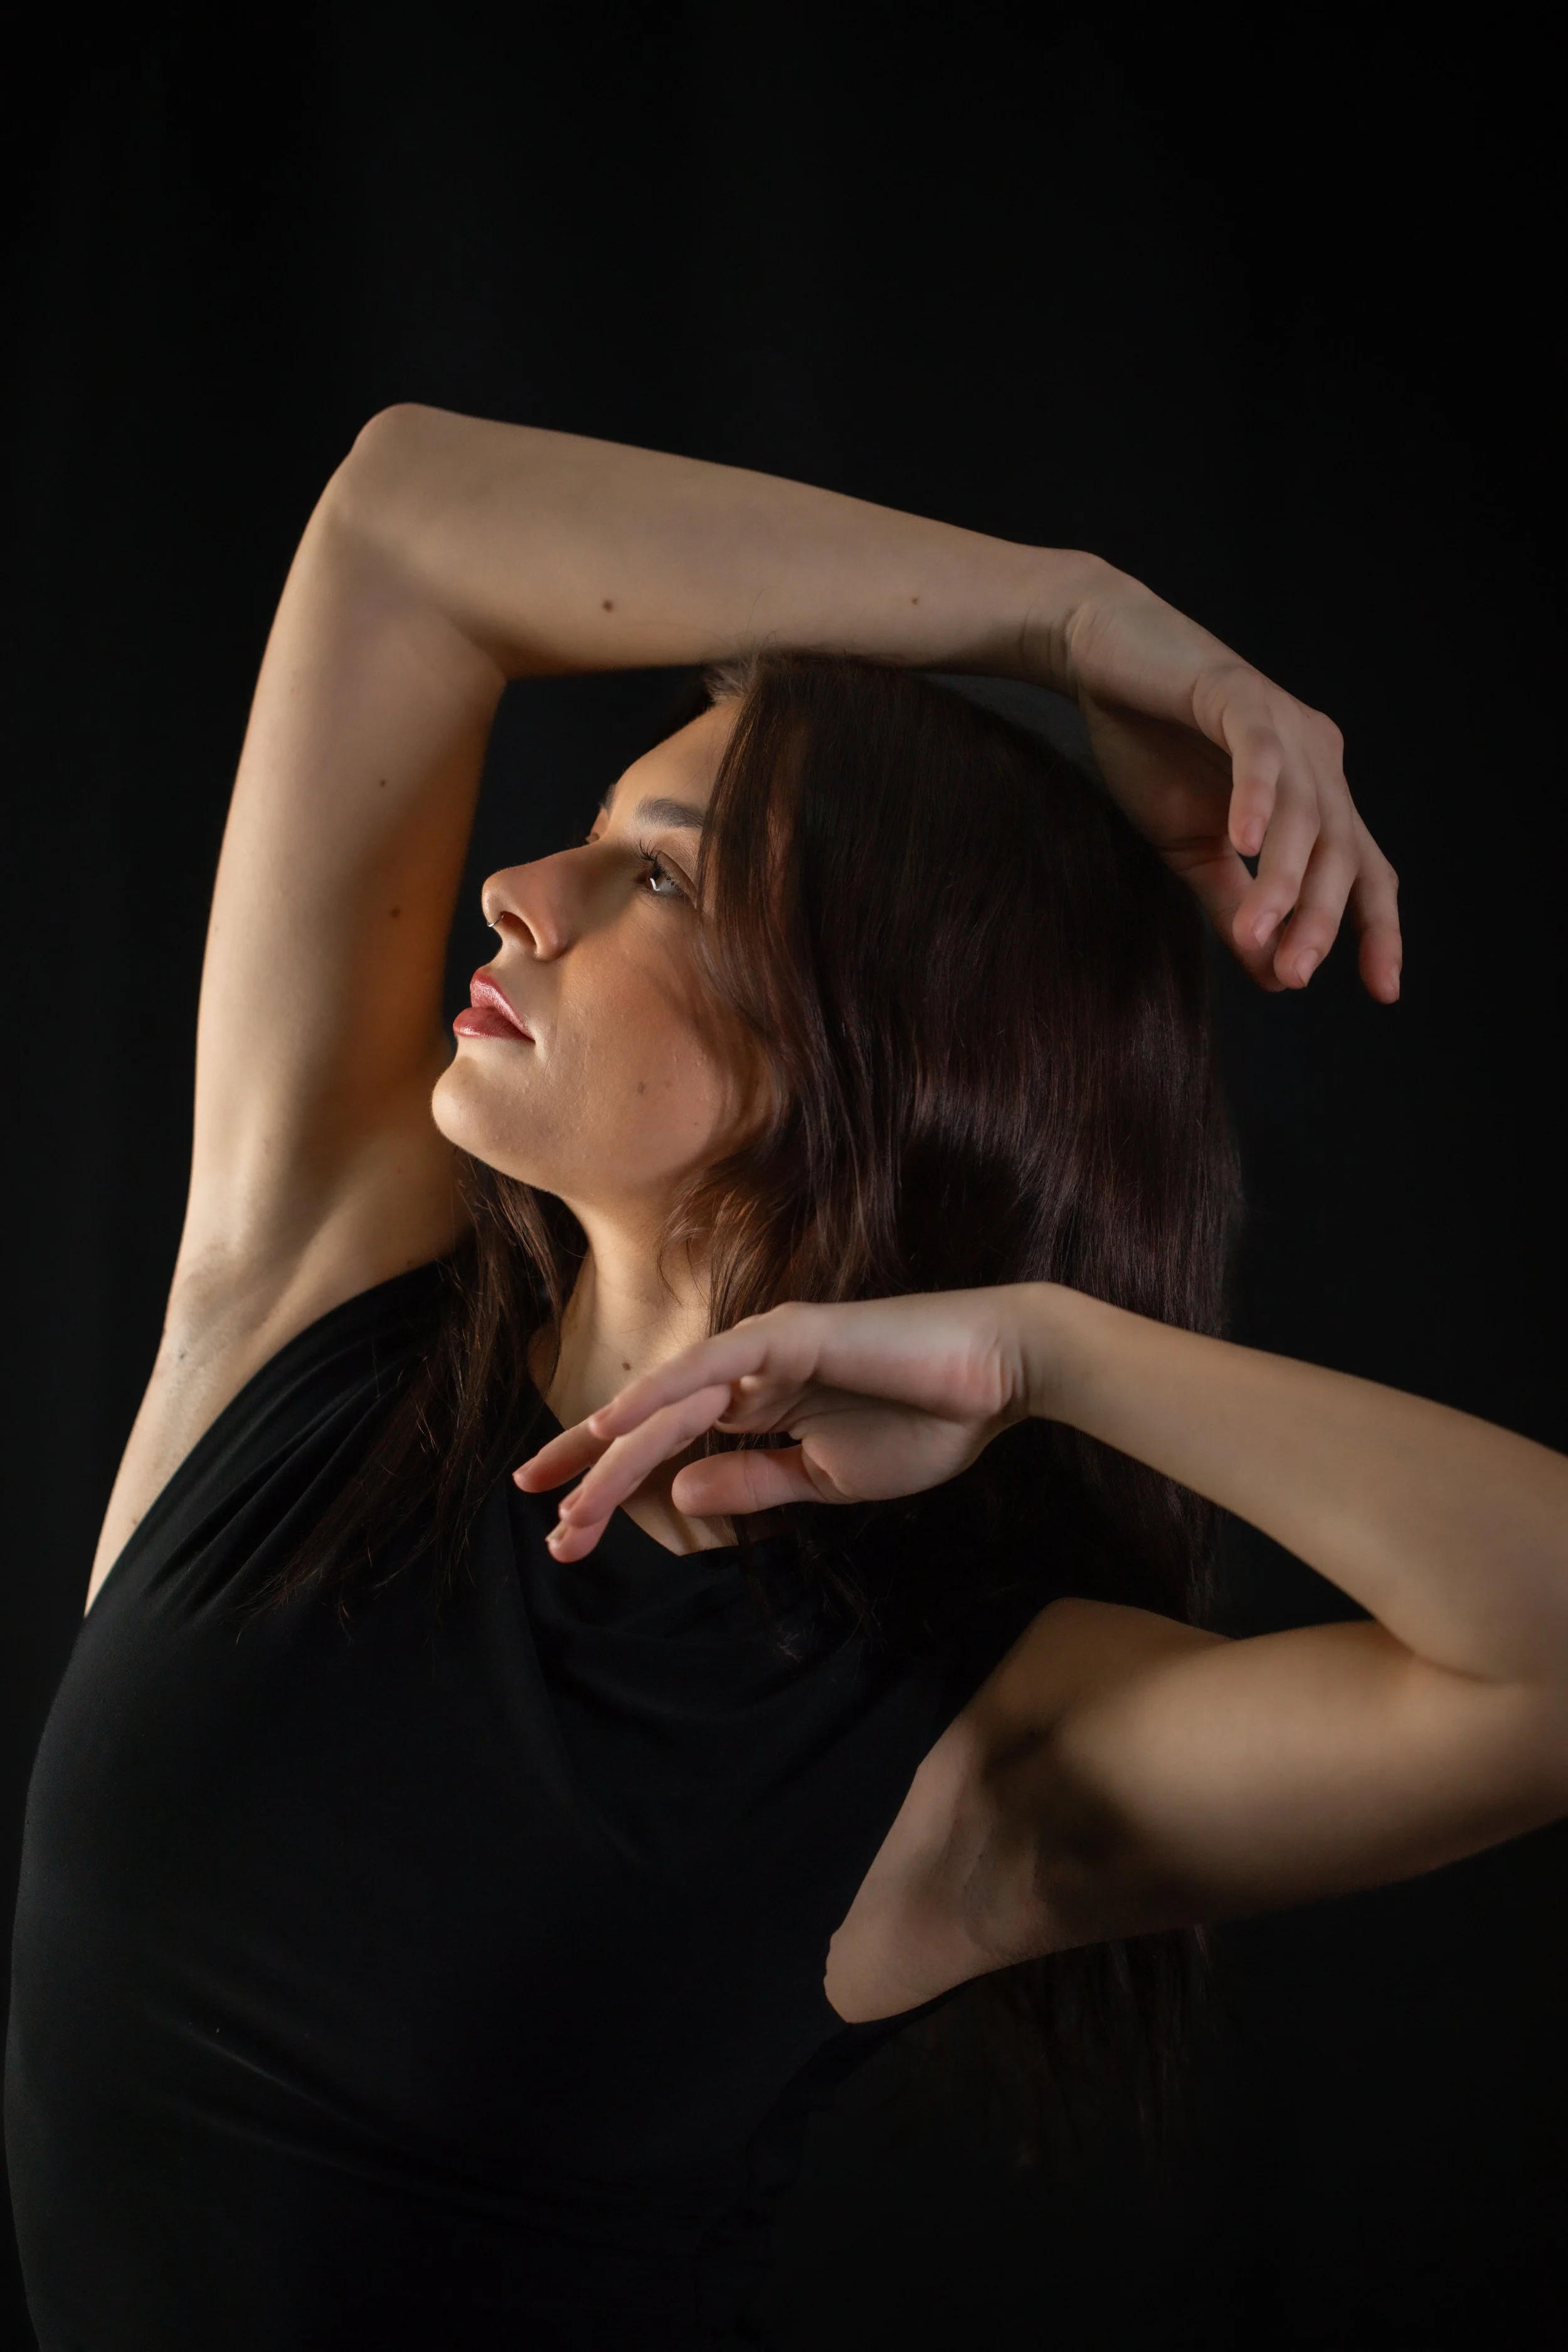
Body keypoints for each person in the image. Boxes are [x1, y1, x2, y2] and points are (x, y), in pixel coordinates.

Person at [6, 406, 1565, 2352]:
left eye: (662, 879)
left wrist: (1042, 1353)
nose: (519, 886)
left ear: (877, 1049)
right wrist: (1070, 618)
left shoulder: (950, 1747)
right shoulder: (310, 1294)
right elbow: (399, 526)